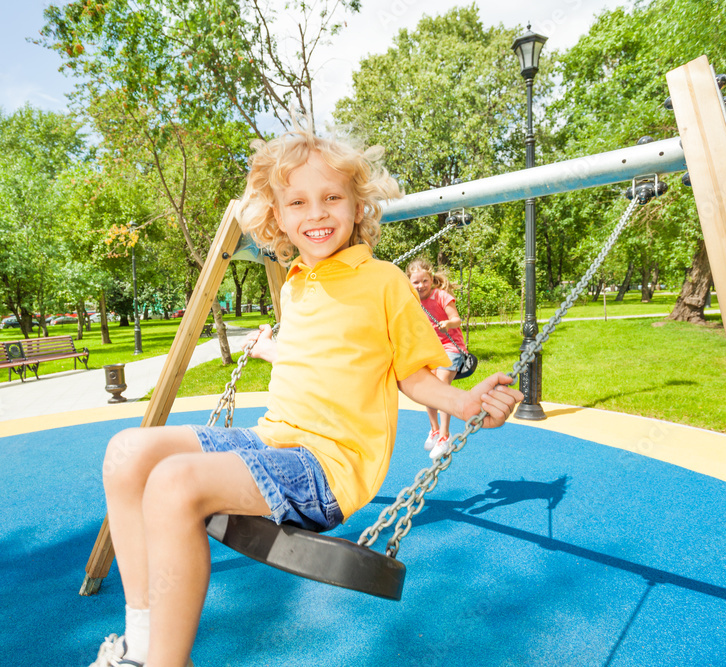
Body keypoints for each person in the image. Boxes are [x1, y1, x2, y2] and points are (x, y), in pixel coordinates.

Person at [88, 124, 523, 667]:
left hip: (325, 466)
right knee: (127, 453)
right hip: (272, 438)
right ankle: (141, 642)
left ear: (358, 206)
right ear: (278, 216)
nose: (316, 213)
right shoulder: (294, 281)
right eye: (298, 201)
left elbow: (411, 374)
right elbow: (322, 359)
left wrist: (465, 405)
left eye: (331, 197)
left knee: (174, 482)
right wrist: (272, 352)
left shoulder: (385, 281)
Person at [406, 257, 469, 459]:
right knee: (428, 389)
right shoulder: (413, 301)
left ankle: (444, 435)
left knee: (441, 388)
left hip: (452, 347)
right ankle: (434, 430)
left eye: (424, 281)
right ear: (409, 282)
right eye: (415, 282)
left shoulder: (441, 296)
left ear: (431, 279)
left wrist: (447, 324)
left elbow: (457, 319)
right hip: (431, 348)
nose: (420, 285)